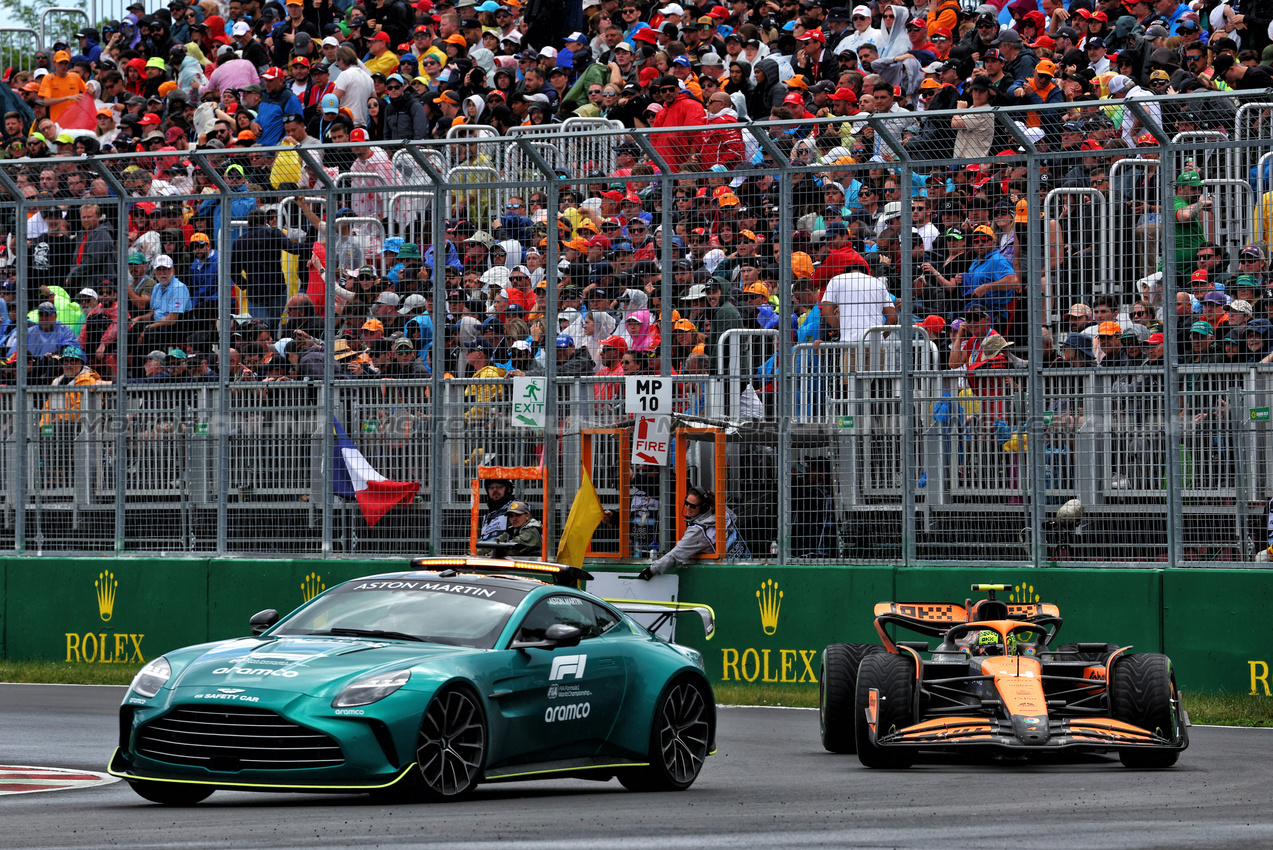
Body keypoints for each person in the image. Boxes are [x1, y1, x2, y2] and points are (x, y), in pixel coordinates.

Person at [639, 486, 750, 579]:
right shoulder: (722, 512)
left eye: (692, 506)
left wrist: (652, 570)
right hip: (746, 562)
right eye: (686, 503)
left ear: (703, 508)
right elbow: (734, 517)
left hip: (726, 575)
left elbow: (676, 555)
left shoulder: (698, 530)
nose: (687, 507)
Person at [475, 500, 542, 557]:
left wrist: (487, 555)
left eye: (518, 515)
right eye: (511, 516)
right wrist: (475, 552)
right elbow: (495, 542)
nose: (514, 519)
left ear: (527, 516)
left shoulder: (532, 531)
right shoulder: (512, 531)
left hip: (532, 569)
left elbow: (514, 547)